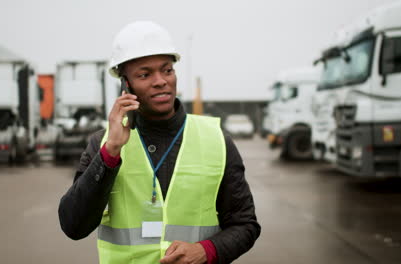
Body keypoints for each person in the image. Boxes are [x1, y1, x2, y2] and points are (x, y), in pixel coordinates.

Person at [58, 21, 261, 264]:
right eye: (145, 74)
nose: (160, 81)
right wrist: (110, 152)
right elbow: (73, 226)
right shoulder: (103, 144)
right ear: (126, 84)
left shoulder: (216, 139)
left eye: (167, 70)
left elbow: (245, 225)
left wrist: (206, 251)